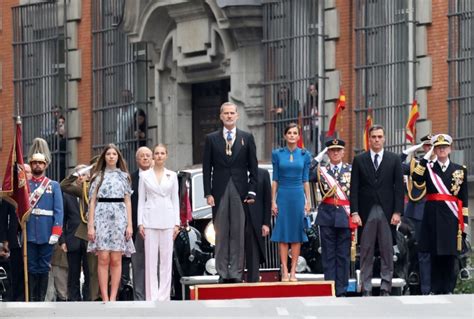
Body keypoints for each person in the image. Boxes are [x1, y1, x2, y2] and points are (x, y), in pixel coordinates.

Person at [202, 101, 258, 283]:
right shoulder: (211, 139)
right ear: (221, 116)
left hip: (240, 190)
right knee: (221, 231)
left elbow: (253, 168)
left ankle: (235, 272)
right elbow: (206, 168)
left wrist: (252, 191)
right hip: (219, 191)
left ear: (237, 115)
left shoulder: (247, 137)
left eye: (232, 113)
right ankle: (222, 272)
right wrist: (208, 193)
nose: (229, 116)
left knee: (237, 232)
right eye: (225, 113)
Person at [350, 124, 404, 296]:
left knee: (387, 250)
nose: (377, 140)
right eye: (374, 137)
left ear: (384, 138)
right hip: (366, 212)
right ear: (369, 139)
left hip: (387, 212)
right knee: (366, 250)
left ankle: (385, 287)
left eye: (380, 137)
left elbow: (399, 188)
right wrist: (355, 212)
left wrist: (397, 212)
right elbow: (355, 188)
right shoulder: (359, 159)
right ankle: (365, 288)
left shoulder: (394, 159)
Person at [412, 134, 468, 294]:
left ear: (450, 148)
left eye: (444, 147)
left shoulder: (459, 170)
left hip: (451, 217)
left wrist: (464, 222)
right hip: (433, 215)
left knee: (450, 254)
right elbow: (416, 177)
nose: (442, 149)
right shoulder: (428, 167)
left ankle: (449, 287)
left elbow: (464, 199)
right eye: (438, 147)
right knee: (434, 252)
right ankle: (435, 288)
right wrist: (427, 156)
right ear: (435, 150)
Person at [87, 144, 135, 302]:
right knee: (103, 258)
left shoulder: (124, 176)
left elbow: (128, 201)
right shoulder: (97, 176)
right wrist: (91, 226)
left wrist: (129, 225)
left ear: (118, 157)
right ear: (104, 157)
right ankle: (105, 296)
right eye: (108, 154)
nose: (111, 156)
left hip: (119, 218)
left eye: (114, 154)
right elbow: (92, 202)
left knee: (116, 259)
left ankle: (113, 296)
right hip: (101, 216)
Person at [309, 139, 353, 297]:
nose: (335, 153)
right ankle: (330, 288)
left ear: (343, 152)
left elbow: (355, 194)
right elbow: (306, 172)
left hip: (344, 216)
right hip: (327, 216)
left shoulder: (350, 170)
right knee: (328, 255)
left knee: (343, 254)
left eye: (338, 150)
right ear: (327, 153)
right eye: (331, 150)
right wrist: (318, 157)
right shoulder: (322, 171)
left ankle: (342, 289)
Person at [137, 144, 179, 301]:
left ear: (166, 155)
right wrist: (140, 223)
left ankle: (164, 296)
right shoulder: (144, 176)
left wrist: (177, 223)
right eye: (157, 153)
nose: (159, 156)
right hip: (150, 219)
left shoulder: (172, 175)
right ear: (153, 156)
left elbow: (175, 199)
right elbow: (141, 199)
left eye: (162, 153)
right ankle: (152, 296)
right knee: (151, 260)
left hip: (168, 219)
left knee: (166, 260)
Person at [270, 123, 311, 282]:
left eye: (295, 133)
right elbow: (275, 179)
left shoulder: (305, 154)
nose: (292, 135)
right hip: (283, 195)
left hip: (298, 195)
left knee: (296, 235)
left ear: (299, 136)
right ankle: (284, 270)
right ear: (285, 136)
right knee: (283, 234)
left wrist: (308, 201)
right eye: (289, 133)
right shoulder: (277, 154)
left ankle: (294, 271)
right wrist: (273, 201)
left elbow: (306, 180)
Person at [26, 151, 64, 302]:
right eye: (35, 162)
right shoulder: (26, 186)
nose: (37, 165)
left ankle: (41, 299)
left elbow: (58, 211)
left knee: (43, 266)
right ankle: (33, 298)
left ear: (45, 165)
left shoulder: (53, 185)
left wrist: (56, 232)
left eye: (40, 163)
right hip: (29, 232)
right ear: (31, 164)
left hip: (46, 232)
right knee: (31, 266)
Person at [60, 159, 100, 301]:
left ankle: (90, 298)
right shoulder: (69, 194)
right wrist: (62, 240)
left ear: (89, 176)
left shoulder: (93, 191)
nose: (80, 177)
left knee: (91, 271)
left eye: (83, 174)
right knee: (73, 272)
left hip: (90, 237)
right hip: (73, 238)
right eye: (78, 175)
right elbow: (62, 219)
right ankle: (74, 299)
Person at [400, 134, 434, 295]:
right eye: (427, 146)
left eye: (432, 145)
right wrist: (406, 152)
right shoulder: (415, 164)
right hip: (417, 213)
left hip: (437, 212)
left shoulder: (443, 165)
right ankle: (422, 284)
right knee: (418, 249)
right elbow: (397, 166)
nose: (430, 148)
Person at [129, 146, 152, 300]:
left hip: (157, 225)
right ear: (137, 159)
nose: (145, 158)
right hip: (138, 227)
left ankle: (155, 294)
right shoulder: (130, 179)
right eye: (142, 156)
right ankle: (139, 296)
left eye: (147, 155)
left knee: (155, 263)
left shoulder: (160, 176)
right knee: (138, 264)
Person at [245, 167, 271, 282]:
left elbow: (267, 199)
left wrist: (266, 223)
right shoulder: (235, 172)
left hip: (256, 221)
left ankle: (253, 280)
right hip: (239, 217)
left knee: (253, 253)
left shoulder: (263, 173)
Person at [0, 198, 24, 301]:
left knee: (24, 270)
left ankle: (23, 296)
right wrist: (4, 240)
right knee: (13, 270)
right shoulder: (8, 198)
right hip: (12, 240)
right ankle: (13, 296)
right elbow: (3, 220)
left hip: (26, 238)